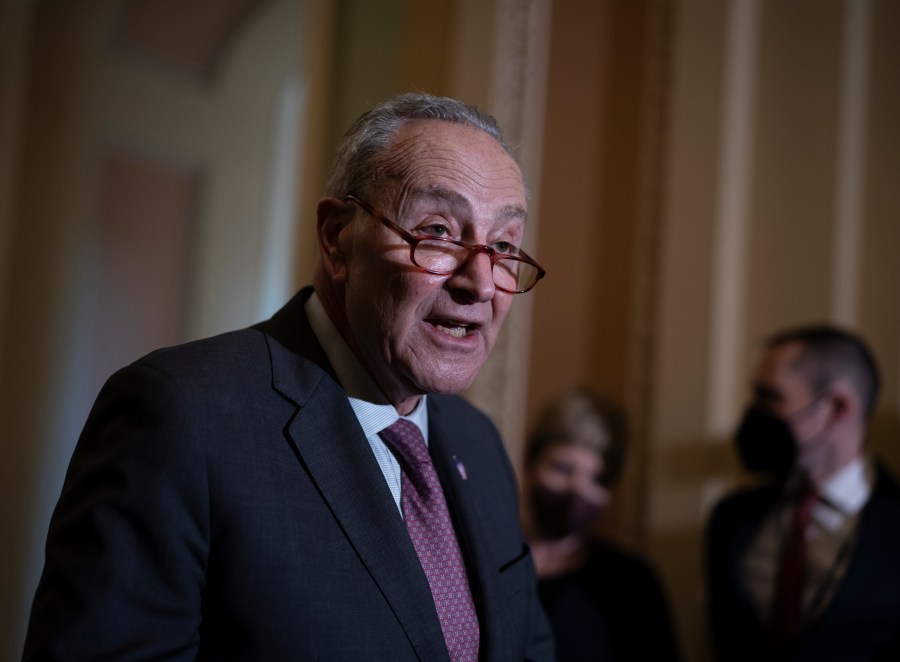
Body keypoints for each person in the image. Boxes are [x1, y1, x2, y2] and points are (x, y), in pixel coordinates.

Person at [24, 93, 554, 661]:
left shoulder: (480, 444)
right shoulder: (181, 416)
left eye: (502, 245)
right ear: (336, 238)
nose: (479, 281)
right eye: (439, 231)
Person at [707, 324, 900, 661]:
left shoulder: (893, 528)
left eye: (771, 397)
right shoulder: (731, 517)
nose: (755, 414)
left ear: (838, 408)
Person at [521, 387, 681, 661]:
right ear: (532, 463)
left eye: (597, 479)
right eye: (562, 468)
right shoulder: (483, 562)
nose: (577, 491)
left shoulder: (632, 583)